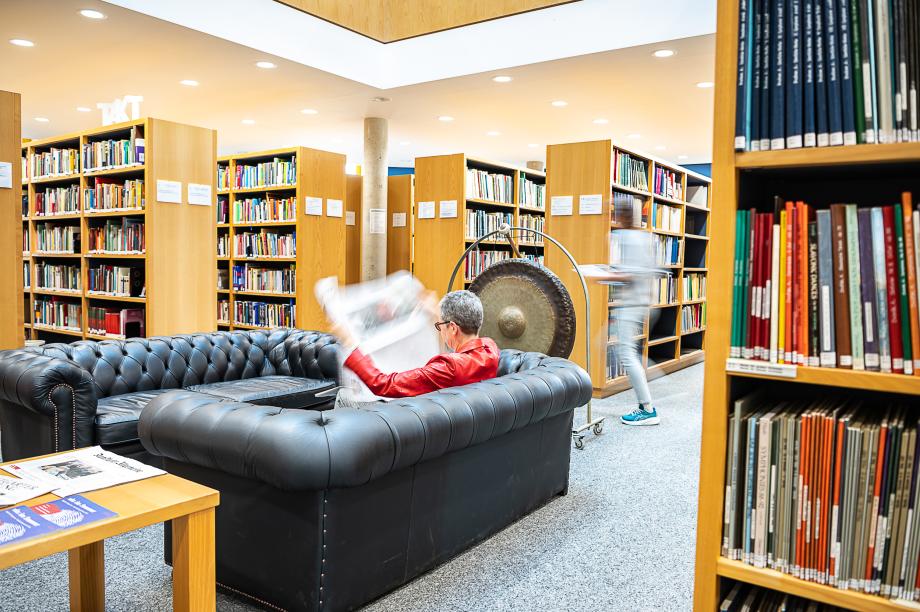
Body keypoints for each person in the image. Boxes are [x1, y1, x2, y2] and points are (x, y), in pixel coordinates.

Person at [332, 289, 499, 398]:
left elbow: (383, 384)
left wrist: (351, 344)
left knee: (343, 397)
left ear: (453, 328)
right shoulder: (490, 349)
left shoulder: (447, 368)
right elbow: (463, 354)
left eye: (440, 326)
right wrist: (437, 315)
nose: (439, 331)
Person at [596, 197, 660, 425]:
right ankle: (648, 387)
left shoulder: (627, 238)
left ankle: (647, 409)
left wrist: (603, 276)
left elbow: (631, 274)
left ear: (619, 216)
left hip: (632, 304)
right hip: (640, 302)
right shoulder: (645, 236)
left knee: (626, 354)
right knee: (610, 345)